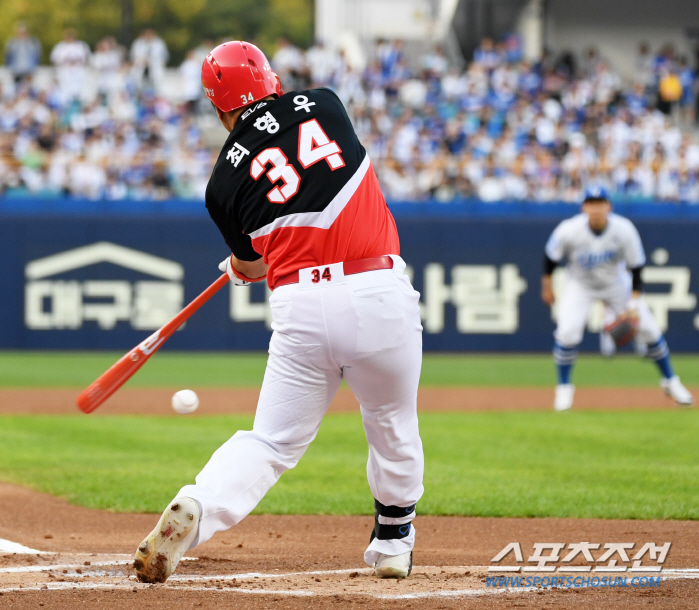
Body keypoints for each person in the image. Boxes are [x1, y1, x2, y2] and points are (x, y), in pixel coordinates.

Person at [133, 41, 424, 583]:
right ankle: (393, 541)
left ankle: (198, 506)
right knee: (390, 421)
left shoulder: (220, 185)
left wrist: (241, 267)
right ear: (270, 81)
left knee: (270, 441)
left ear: (219, 109)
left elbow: (254, 263)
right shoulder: (325, 104)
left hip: (301, 306)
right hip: (376, 286)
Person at [541, 186, 693, 411]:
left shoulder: (623, 229)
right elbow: (550, 258)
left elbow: (637, 267)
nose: (595, 208)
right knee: (567, 332)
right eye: (591, 203)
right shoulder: (569, 229)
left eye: (600, 203)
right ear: (584, 207)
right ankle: (564, 389)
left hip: (616, 283)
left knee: (649, 329)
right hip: (580, 284)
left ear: (609, 206)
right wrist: (547, 287)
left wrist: (633, 301)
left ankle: (670, 381)